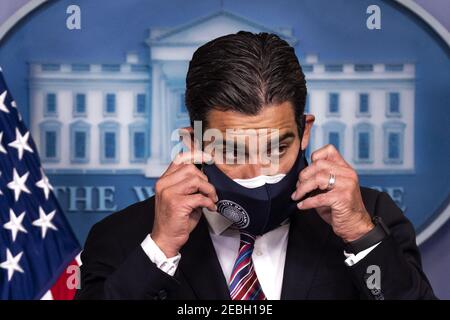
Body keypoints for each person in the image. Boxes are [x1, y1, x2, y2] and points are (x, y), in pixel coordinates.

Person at [75, 31, 435, 300]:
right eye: (232, 152)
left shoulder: (370, 215)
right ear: (193, 142)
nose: (258, 173)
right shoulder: (124, 236)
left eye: (277, 148)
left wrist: (360, 235)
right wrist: (161, 248)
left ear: (304, 131)